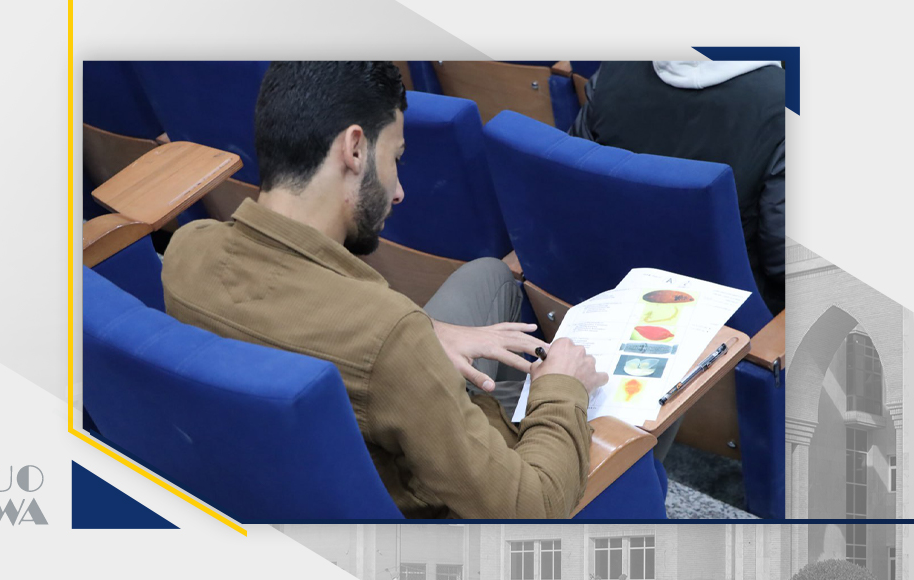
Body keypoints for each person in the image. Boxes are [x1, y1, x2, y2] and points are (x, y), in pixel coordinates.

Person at [161, 62, 609, 518]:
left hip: (284, 496)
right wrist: (560, 389)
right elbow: (530, 509)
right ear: (355, 149)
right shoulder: (389, 336)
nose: (398, 192)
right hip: (421, 518)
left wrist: (427, 330)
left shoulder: (186, 251)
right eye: (395, 158)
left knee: (488, 277)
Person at [570, 61, 785, 316]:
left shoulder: (614, 68)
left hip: (616, 288)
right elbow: (785, 261)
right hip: (734, 316)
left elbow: (575, 188)